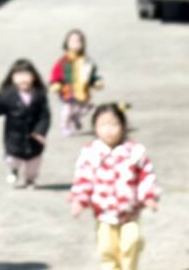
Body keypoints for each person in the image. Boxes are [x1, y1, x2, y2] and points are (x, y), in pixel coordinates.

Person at [70, 103, 159, 270]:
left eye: (114, 124)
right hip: (104, 213)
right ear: (95, 128)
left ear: (123, 126)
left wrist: (149, 196)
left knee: (131, 243)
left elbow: (146, 175)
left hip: (130, 212)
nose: (109, 130)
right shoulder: (91, 152)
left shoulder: (135, 151)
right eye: (103, 125)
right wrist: (79, 200)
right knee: (106, 249)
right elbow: (83, 178)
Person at [0, 58, 50, 188]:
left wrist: (40, 132)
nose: (23, 79)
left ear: (34, 76)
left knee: (33, 163)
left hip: (34, 139)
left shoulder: (39, 95)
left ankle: (30, 180)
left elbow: (45, 116)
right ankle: (14, 170)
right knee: (12, 159)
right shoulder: (7, 94)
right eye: (19, 75)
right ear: (12, 77)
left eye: (27, 75)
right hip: (14, 136)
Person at [50, 28, 103, 136]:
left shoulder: (87, 61)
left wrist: (96, 82)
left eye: (78, 41)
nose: (75, 44)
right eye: (72, 41)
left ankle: (75, 118)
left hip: (83, 91)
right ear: (67, 43)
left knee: (86, 108)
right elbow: (56, 73)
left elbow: (92, 74)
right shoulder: (63, 62)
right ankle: (65, 127)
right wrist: (56, 83)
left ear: (83, 44)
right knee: (67, 110)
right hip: (68, 91)